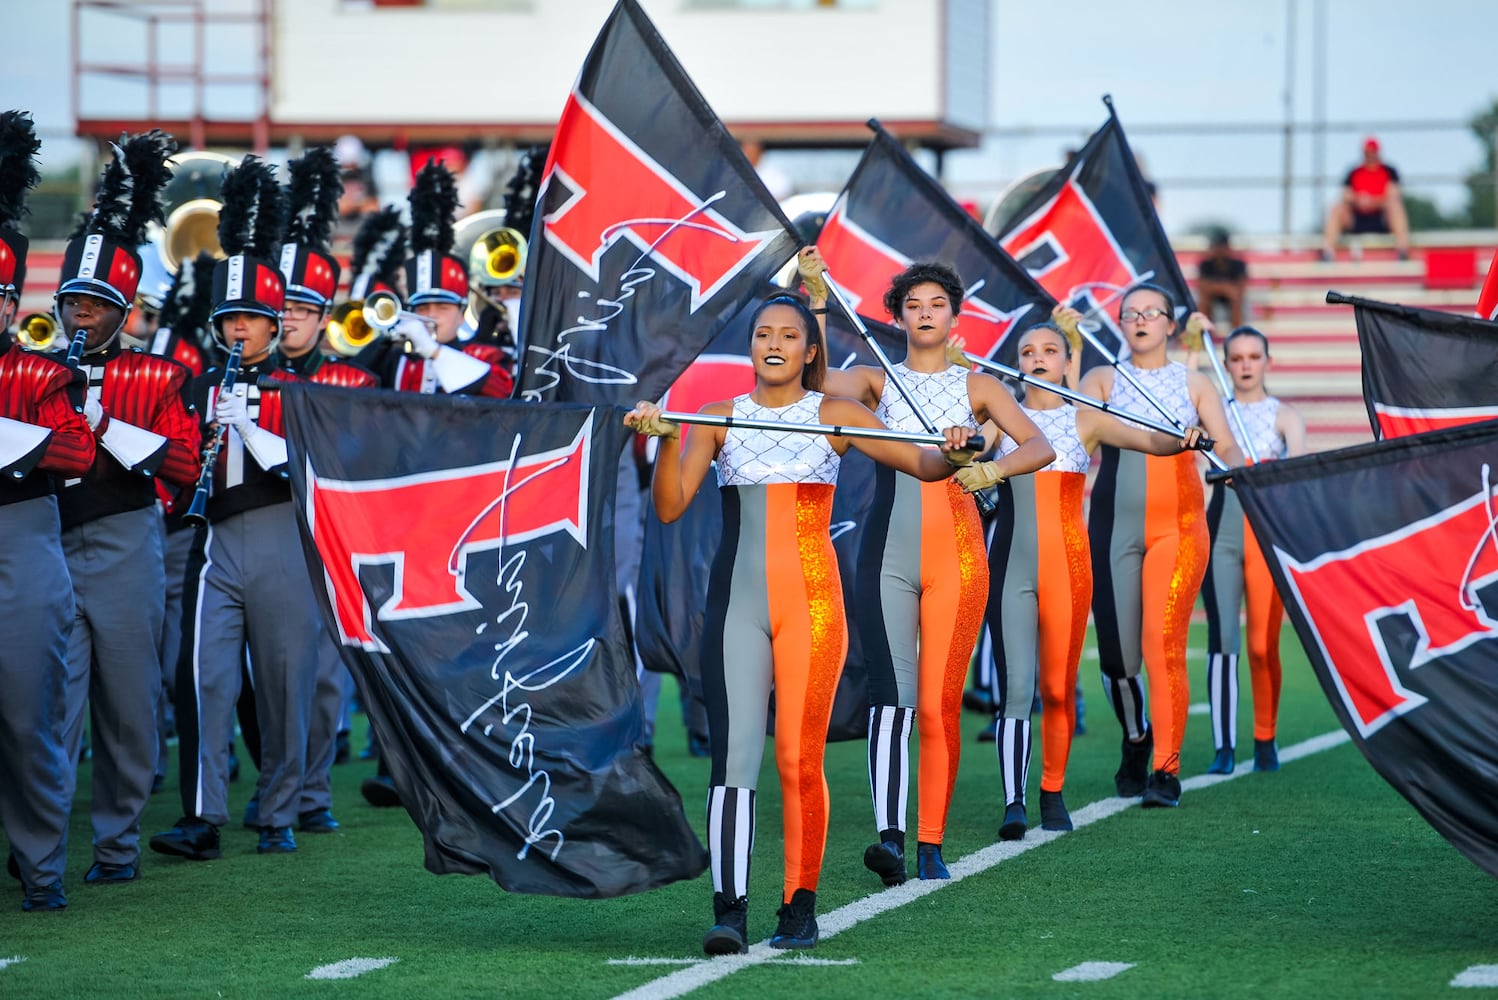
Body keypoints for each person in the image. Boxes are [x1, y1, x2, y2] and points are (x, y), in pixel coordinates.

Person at [626, 294, 977, 955]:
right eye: (763, 333)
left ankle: (799, 906)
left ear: (811, 351)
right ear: (752, 346)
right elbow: (671, 507)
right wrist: (665, 444)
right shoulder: (714, 418)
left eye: (790, 334)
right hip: (735, 609)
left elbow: (926, 464)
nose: (775, 343)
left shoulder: (838, 414)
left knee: (796, 759)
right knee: (733, 763)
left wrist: (955, 451)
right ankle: (729, 912)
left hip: (814, 607)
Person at [796, 249, 1054, 884]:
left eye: (937, 304)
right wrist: (818, 300)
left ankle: (931, 842)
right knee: (894, 702)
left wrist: (993, 468)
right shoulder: (877, 379)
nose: (926, 314)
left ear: (954, 314)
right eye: (913, 305)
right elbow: (814, 385)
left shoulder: (981, 387)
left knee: (938, 705)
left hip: (960, 556)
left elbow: (1041, 445)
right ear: (898, 318)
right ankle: (890, 836)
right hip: (885, 552)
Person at [954, 322, 1205, 837]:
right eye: (1027, 351)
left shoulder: (1084, 421)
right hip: (1010, 567)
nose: (1038, 358)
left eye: (1050, 350)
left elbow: (1149, 441)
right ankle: (1013, 803)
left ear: (1070, 363)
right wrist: (963, 397)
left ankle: (1051, 791)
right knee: (1016, 688)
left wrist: (1184, 437)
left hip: (1069, 568)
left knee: (1060, 689)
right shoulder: (1002, 421)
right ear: (1017, 365)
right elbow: (968, 450)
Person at [150, 156, 321, 859]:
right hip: (214, 539)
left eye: (253, 318)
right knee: (205, 676)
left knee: (283, 680)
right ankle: (202, 815)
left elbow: (305, 468)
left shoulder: (299, 392)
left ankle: (280, 808)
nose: (241, 330)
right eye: (231, 319)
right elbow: (182, 465)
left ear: (274, 324)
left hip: (283, 535)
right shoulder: (196, 386)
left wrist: (249, 426)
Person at [51, 132, 201, 887]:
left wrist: (106, 420)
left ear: (126, 310)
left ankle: (117, 844)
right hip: (45, 537)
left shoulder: (158, 373)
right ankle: (40, 854)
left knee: (129, 699)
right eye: (71, 300)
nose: (79, 316)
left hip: (124, 536)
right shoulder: (33, 364)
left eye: (95, 304)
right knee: (46, 702)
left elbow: (182, 465)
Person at [1061, 287, 1244, 809]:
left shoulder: (1194, 382)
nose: (1140, 320)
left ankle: (1166, 767)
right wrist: (1069, 343)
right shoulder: (1103, 378)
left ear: (1169, 324)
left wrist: (1232, 464)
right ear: (1120, 324)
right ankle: (1136, 736)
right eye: (1131, 313)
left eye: (1151, 313)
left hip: (1181, 526)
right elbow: (1068, 420)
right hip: (1113, 526)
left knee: (1163, 646)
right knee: (1119, 660)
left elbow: (1225, 441)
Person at [0, 109, 97, 912]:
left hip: (24, 539)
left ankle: (39, 866)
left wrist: (13, 437)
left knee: (30, 713)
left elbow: (75, 453)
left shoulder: (36, 372)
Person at [1200, 327, 1305, 775]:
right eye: (1237, 358)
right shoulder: (1214, 413)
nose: (1245, 365)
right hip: (1220, 529)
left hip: (1265, 535)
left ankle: (1265, 736)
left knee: (1262, 646)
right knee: (1223, 644)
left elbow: (1298, 472)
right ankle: (1224, 746)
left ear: (1267, 361)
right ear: (1226, 365)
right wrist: (1191, 346)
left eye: (1253, 357)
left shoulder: (1286, 417)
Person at [357, 161, 512, 399]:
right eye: (422, 307)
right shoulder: (393, 360)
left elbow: (502, 391)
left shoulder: (484, 355)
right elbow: (347, 387)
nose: (430, 315)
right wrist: (384, 343)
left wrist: (434, 352)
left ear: (461, 315)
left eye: (442, 307)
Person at [1321, 137, 1410, 261]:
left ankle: (1402, 251)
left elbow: (1394, 194)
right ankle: (1327, 252)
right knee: (1336, 207)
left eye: (1372, 152)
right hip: (1357, 218)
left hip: (1381, 218)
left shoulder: (1389, 171)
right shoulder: (1354, 172)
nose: (1370, 155)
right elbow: (1345, 194)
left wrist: (1372, 201)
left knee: (1395, 206)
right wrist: (1359, 200)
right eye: (1368, 152)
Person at [1197, 228, 1248, 330]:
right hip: (1213, 296)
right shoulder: (1206, 264)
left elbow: (1240, 288)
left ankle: (1236, 332)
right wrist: (1224, 288)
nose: (1219, 250)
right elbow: (1203, 287)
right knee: (1204, 301)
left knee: (1236, 300)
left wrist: (1217, 287)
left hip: (1231, 298)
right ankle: (1205, 334)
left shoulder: (1238, 264)